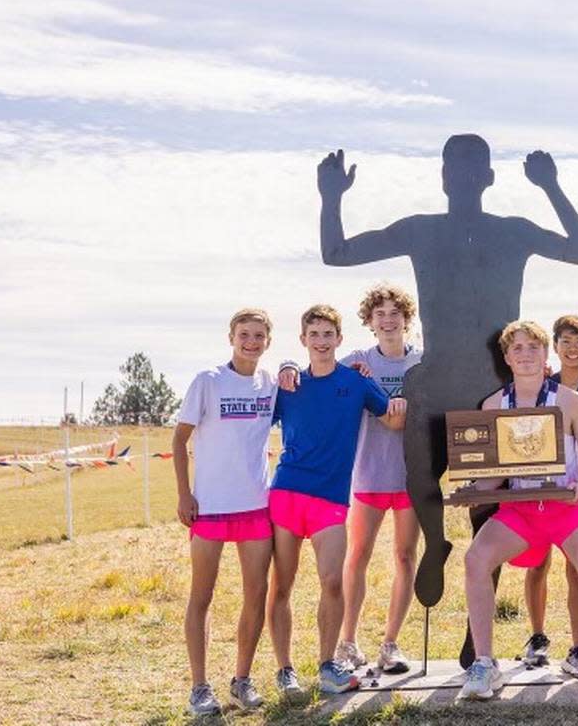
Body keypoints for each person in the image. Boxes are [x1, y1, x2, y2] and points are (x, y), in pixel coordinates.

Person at [316, 136, 578, 617]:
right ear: (443, 178)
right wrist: (331, 199)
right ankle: (435, 541)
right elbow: (337, 253)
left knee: (488, 505)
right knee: (420, 475)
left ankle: (476, 631)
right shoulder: (421, 230)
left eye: (472, 171)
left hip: (492, 387)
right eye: (454, 170)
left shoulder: (513, 231)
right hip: (438, 375)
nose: (462, 179)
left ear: (488, 178)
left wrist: (551, 187)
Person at [459, 321, 578, 705]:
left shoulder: (569, 400)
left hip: (566, 509)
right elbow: (492, 480)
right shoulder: (494, 406)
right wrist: (471, 489)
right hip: (523, 511)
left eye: (533, 347)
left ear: (546, 356)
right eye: (518, 348)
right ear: (507, 357)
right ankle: (484, 664)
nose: (525, 354)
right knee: (475, 559)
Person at [280, 285, 421, 673]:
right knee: (356, 557)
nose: (388, 319)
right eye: (380, 313)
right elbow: (319, 367)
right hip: (368, 474)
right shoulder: (358, 361)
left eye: (395, 312)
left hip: (412, 478)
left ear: (407, 318)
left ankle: (391, 643)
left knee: (406, 557)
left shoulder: (423, 363)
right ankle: (347, 642)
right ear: (370, 321)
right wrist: (288, 363)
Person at [266, 305, 390, 695]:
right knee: (281, 584)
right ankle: (285, 669)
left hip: (331, 499)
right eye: (313, 335)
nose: (321, 342)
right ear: (303, 340)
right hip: (287, 493)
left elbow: (391, 413)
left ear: (339, 339)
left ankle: (327, 665)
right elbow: (251, 421)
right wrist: (285, 365)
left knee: (332, 581)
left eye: (328, 334)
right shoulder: (287, 386)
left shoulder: (356, 383)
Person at [173, 309, 279, 715]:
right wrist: (185, 495)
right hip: (211, 509)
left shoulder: (271, 383)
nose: (251, 341)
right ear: (231, 337)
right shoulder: (207, 381)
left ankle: (242, 680)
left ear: (268, 341)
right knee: (202, 594)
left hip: (255, 506)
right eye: (244, 334)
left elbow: (304, 378)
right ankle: (200, 687)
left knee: (257, 592)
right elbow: (179, 440)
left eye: (258, 336)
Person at [516, 315, 578, 678]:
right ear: (554, 346)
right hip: (536, 494)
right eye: (566, 341)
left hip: (576, 496)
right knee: (537, 564)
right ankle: (538, 638)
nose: (573, 348)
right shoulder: (540, 385)